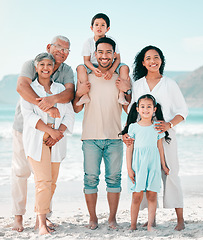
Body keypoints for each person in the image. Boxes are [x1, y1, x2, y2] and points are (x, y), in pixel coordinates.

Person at [11, 35, 74, 232]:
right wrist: (48, 109)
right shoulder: (31, 64)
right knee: (22, 172)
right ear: (49, 47)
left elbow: (69, 95)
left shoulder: (65, 72)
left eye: (66, 50)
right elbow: (22, 88)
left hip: (54, 134)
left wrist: (57, 131)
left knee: (49, 179)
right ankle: (18, 217)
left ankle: (43, 217)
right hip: (26, 129)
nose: (61, 52)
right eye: (58, 48)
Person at [123, 45, 188, 231]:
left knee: (170, 174)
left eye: (156, 57)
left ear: (161, 60)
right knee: (144, 176)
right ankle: (151, 219)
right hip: (142, 138)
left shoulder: (170, 84)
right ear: (143, 62)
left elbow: (183, 111)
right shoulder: (138, 84)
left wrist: (169, 124)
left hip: (164, 137)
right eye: (148, 58)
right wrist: (127, 134)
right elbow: (132, 111)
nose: (153, 61)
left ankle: (180, 219)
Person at [73, 37, 131, 230]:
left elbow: (128, 110)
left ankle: (112, 219)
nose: (104, 56)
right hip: (90, 138)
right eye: (100, 52)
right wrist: (80, 93)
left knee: (114, 178)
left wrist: (127, 89)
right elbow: (76, 109)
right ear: (95, 54)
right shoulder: (86, 76)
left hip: (115, 137)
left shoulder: (119, 78)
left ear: (114, 55)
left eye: (108, 53)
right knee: (90, 178)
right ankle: (93, 218)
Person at [121, 94, 170, 231]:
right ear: (137, 109)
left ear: (154, 109)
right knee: (136, 196)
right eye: (142, 106)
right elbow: (129, 149)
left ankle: (150, 225)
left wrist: (164, 165)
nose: (145, 109)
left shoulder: (157, 127)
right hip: (138, 164)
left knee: (152, 194)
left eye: (149, 106)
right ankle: (132, 225)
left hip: (153, 164)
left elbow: (160, 147)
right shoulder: (133, 127)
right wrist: (129, 169)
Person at [76, 13, 130, 106]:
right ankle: (84, 95)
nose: (99, 27)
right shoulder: (88, 42)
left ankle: (121, 94)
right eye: (96, 24)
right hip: (93, 64)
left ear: (107, 29)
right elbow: (86, 61)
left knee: (124, 67)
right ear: (91, 28)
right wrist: (93, 69)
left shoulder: (112, 40)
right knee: (80, 68)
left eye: (102, 25)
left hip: (110, 63)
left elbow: (117, 59)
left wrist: (111, 70)